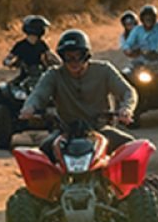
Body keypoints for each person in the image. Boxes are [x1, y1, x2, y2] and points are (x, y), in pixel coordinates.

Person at [20, 29, 137, 158]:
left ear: (86, 55)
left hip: (99, 129)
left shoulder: (104, 70)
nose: (74, 62)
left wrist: (126, 109)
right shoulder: (54, 74)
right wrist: (29, 107)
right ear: (62, 57)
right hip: (66, 132)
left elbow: (128, 92)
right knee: (43, 154)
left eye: (78, 56)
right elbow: (38, 94)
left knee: (131, 148)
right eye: (68, 57)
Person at [2, 15, 60, 80]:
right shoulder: (39, 44)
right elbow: (8, 59)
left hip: (39, 75)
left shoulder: (38, 44)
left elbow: (51, 56)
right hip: (28, 76)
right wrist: (9, 62)